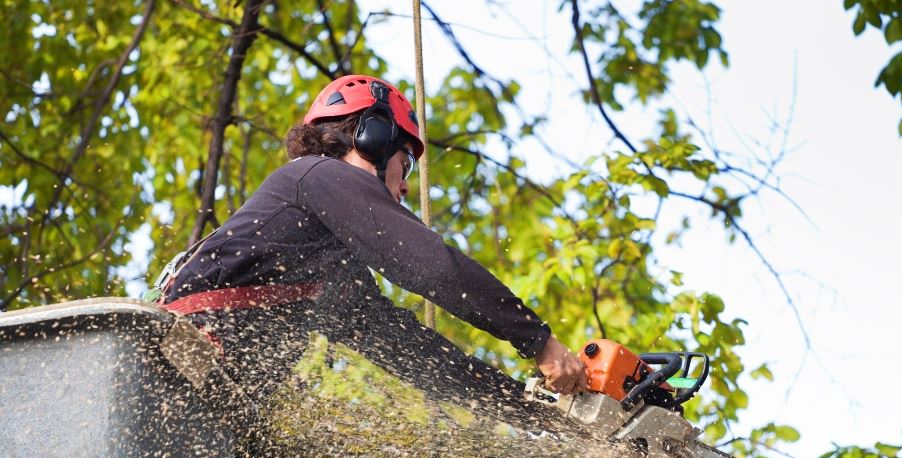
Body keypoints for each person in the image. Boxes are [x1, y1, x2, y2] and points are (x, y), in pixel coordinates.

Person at [156, 74, 586, 408]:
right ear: (373, 138)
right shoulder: (316, 175)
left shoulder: (331, 271)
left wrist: (526, 406)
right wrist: (539, 341)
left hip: (198, 395)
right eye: (407, 164)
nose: (404, 188)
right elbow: (432, 266)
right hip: (173, 362)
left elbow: (412, 353)